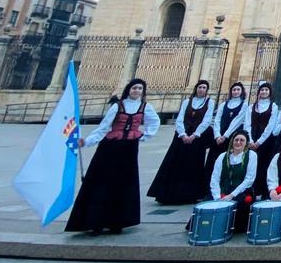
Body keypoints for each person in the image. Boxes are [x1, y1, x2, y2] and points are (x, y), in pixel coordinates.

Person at [66, 79, 160, 234]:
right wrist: (87, 141)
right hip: (110, 148)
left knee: (123, 184)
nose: (137, 90)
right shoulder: (117, 105)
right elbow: (104, 127)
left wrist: (143, 136)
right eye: (134, 88)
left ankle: (118, 221)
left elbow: (155, 123)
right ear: (128, 89)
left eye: (140, 88)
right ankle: (95, 221)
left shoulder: (145, 107)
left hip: (129, 148)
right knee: (102, 183)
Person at [148, 80, 215, 205]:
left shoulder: (209, 102)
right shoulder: (186, 101)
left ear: (207, 90)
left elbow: (207, 120)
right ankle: (169, 193)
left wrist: (195, 135)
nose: (201, 89)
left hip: (196, 137)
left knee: (193, 165)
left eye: (204, 87)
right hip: (182, 136)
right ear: (196, 88)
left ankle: (189, 194)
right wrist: (183, 134)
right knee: (174, 163)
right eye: (200, 87)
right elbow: (180, 118)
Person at [207, 130, 257, 233]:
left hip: (241, 191)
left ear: (246, 143)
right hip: (222, 190)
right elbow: (215, 179)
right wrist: (217, 197)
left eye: (242, 140)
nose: (238, 142)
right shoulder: (222, 156)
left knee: (238, 205)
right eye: (236, 140)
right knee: (206, 204)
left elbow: (249, 180)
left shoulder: (251, 156)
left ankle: (228, 229)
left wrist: (231, 195)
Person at [205, 82, 247, 196]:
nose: (236, 92)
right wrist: (217, 134)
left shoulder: (244, 105)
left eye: (238, 90)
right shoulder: (223, 104)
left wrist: (225, 135)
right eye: (234, 90)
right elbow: (217, 119)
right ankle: (210, 189)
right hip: (219, 136)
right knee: (214, 163)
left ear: (241, 91)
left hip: (231, 137)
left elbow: (237, 120)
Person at [243, 82, 278, 199]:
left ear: (270, 92)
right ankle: (249, 190)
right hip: (251, 139)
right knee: (250, 165)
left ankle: (263, 191)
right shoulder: (251, 107)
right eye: (262, 90)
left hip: (265, 141)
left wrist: (259, 142)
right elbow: (247, 124)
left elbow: (271, 126)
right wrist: (250, 140)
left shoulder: (273, 106)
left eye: (266, 90)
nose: (264, 92)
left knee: (264, 165)